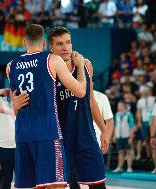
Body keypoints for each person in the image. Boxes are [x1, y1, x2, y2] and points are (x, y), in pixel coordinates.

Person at [7, 24, 87, 189]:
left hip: (22, 135)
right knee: (55, 186)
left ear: (24, 42)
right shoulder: (52, 59)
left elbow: (14, 106)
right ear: (44, 43)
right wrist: (80, 67)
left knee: (27, 186)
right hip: (47, 134)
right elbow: (80, 92)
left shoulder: (11, 66)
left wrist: (13, 104)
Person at [48, 26, 110, 189]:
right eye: (60, 44)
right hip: (62, 140)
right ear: (51, 48)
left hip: (86, 137)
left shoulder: (85, 64)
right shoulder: (48, 71)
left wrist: (103, 130)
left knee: (98, 185)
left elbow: (91, 101)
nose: (65, 47)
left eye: (68, 42)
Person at [0, 88, 28, 189]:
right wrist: (3, 91)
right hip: (2, 147)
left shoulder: (25, 103)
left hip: (20, 147)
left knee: (24, 179)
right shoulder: (2, 102)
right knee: (4, 179)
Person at [113, 101, 135, 173]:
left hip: (127, 136)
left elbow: (132, 127)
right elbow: (115, 126)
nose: (118, 107)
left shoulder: (129, 115)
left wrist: (131, 137)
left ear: (124, 106)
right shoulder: (117, 115)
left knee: (128, 152)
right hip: (119, 136)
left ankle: (129, 167)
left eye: (120, 105)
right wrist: (114, 136)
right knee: (120, 152)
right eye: (118, 106)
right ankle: (119, 167)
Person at [93, 90, 114, 168]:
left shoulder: (101, 97)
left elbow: (109, 120)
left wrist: (106, 139)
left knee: (94, 174)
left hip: (96, 141)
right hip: (73, 141)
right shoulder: (69, 94)